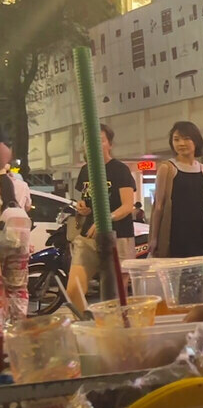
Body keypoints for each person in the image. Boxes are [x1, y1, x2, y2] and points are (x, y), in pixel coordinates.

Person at [67, 124, 137, 312]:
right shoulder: (85, 170)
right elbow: (85, 201)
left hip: (118, 237)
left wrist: (104, 221)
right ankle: (87, 322)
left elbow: (127, 206)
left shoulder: (120, 170)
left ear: (110, 144)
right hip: (88, 236)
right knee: (73, 290)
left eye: (100, 140)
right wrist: (82, 208)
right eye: (89, 141)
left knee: (116, 295)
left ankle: (116, 326)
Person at [150, 121, 203, 258]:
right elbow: (159, 206)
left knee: (197, 269)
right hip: (174, 232)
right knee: (175, 268)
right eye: (176, 139)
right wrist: (154, 238)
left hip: (198, 232)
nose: (181, 143)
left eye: (186, 139)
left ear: (196, 141)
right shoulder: (167, 168)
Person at [0, 127, 30, 324]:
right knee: (18, 289)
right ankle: (17, 330)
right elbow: (27, 209)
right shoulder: (21, 185)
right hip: (19, 243)